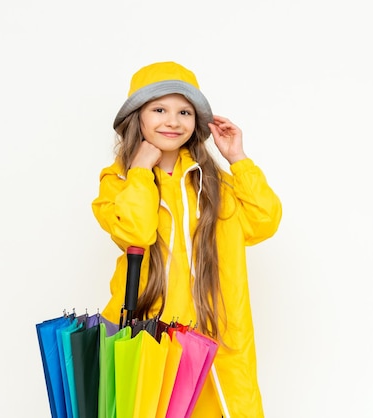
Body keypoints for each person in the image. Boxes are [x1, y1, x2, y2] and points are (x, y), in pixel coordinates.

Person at [92, 61, 282, 417]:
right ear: (138, 117)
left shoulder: (212, 182)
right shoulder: (118, 182)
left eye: (184, 111)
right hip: (152, 337)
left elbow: (263, 222)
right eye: (159, 109)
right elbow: (136, 231)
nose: (173, 121)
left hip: (216, 338)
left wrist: (237, 159)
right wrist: (139, 172)